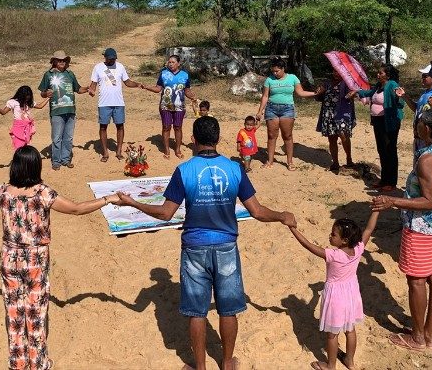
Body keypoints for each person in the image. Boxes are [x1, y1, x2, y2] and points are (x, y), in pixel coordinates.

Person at [115, 116, 297, 370]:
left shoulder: (185, 170)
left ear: (193, 140)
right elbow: (257, 211)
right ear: (218, 139)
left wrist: (133, 203)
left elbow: (165, 213)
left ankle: (199, 366)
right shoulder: (235, 169)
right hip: (226, 246)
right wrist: (281, 216)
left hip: (194, 247)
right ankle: (227, 361)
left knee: (197, 312)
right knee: (228, 309)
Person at [0, 145, 122, 370]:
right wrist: (107, 199)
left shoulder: (3, 192)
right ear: (36, 167)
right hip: (36, 260)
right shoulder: (43, 193)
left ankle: (18, 362)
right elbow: (77, 209)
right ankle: (38, 362)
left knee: (14, 312)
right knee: (36, 312)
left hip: (9, 258)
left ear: (14, 166)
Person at [371, 109, 432, 351]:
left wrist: (393, 201)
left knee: (417, 280)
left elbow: (429, 201)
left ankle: (418, 338)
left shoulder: (427, 158)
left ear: (428, 130)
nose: (417, 127)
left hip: (422, 227)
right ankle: (429, 335)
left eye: (420, 124)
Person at [287, 212, 380, 370]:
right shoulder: (358, 248)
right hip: (351, 294)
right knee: (350, 330)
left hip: (335, 297)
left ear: (344, 240)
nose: (330, 236)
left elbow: (308, 245)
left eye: (333, 234)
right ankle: (349, 361)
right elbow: (369, 229)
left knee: (332, 334)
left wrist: (292, 228)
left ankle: (330, 365)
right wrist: (376, 210)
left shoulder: (333, 255)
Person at [255, 57, 316, 170]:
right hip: (271, 109)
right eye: (273, 71)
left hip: (287, 109)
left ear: (283, 69)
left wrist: (314, 93)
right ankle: (270, 161)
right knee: (272, 136)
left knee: (287, 136)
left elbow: (300, 92)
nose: (275, 73)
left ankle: (290, 162)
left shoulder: (293, 78)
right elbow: (265, 96)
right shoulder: (269, 80)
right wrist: (260, 111)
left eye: (277, 71)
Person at [88, 48, 144, 162]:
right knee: (103, 126)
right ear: (105, 57)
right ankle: (105, 153)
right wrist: (91, 91)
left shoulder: (120, 67)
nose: (112, 61)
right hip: (104, 103)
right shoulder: (98, 67)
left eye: (114, 59)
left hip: (119, 102)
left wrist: (137, 84)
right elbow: (93, 83)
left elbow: (127, 82)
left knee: (120, 125)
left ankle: (118, 151)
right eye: (110, 59)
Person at [356, 64, 404, 191]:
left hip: (389, 122)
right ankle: (384, 180)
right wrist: (357, 92)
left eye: (380, 73)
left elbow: (400, 100)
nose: (378, 75)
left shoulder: (392, 84)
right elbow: (369, 92)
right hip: (378, 122)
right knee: (382, 150)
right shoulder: (378, 86)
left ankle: (391, 182)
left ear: (387, 75)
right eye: (378, 72)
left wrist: (399, 96)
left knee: (390, 150)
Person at [38, 50, 88, 169]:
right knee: (56, 137)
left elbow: (78, 89)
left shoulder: (70, 74)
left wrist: (88, 89)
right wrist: (46, 94)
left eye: (64, 60)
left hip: (70, 110)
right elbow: (42, 93)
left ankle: (66, 159)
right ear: (54, 61)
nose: (62, 62)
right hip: (56, 111)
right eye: (59, 60)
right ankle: (56, 161)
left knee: (69, 137)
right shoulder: (48, 75)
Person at [142, 54, 197, 159]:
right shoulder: (163, 74)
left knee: (178, 127)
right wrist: (146, 87)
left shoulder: (185, 75)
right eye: (169, 62)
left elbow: (187, 91)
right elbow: (158, 89)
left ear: (178, 63)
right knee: (166, 127)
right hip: (165, 106)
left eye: (173, 62)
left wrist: (192, 97)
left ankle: (177, 149)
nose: (170, 64)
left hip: (179, 106)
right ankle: (166, 150)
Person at [396, 64, 432, 165]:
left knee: (425, 164)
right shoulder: (424, 94)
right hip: (418, 136)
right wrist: (404, 96)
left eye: (425, 76)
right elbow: (416, 108)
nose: (422, 78)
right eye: (422, 76)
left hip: (428, 138)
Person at [315, 69, 357, 171]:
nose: (335, 73)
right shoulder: (327, 83)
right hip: (328, 113)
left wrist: (353, 93)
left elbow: (352, 96)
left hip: (342, 113)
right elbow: (318, 97)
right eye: (334, 71)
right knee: (332, 138)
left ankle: (349, 159)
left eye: (338, 72)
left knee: (344, 135)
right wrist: (319, 92)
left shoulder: (348, 84)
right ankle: (335, 163)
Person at [0, 85, 49, 151]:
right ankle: (19, 160)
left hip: (27, 127)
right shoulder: (13, 102)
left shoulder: (29, 102)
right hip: (18, 127)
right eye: (26, 97)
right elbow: (3, 112)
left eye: (29, 97)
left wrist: (48, 98)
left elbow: (40, 106)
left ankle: (25, 160)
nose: (27, 99)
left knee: (26, 146)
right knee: (19, 146)